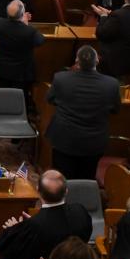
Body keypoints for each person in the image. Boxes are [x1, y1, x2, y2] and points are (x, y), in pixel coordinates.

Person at [0, 169, 93, 259]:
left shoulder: (32, 227)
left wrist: (13, 229)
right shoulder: (80, 212)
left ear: (38, 191)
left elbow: (4, 248)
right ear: (66, 191)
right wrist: (33, 222)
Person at [46, 46, 120, 181]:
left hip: (64, 139)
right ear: (97, 61)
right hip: (93, 142)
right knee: (86, 179)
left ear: (76, 61)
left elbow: (50, 99)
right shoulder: (112, 84)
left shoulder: (61, 79)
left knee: (62, 179)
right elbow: (115, 109)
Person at [0, 0, 44, 95]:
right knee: (19, 99)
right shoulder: (30, 32)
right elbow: (40, 41)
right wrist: (24, 24)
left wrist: (19, 21)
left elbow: (3, 24)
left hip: (0, 69)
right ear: (23, 14)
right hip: (21, 74)